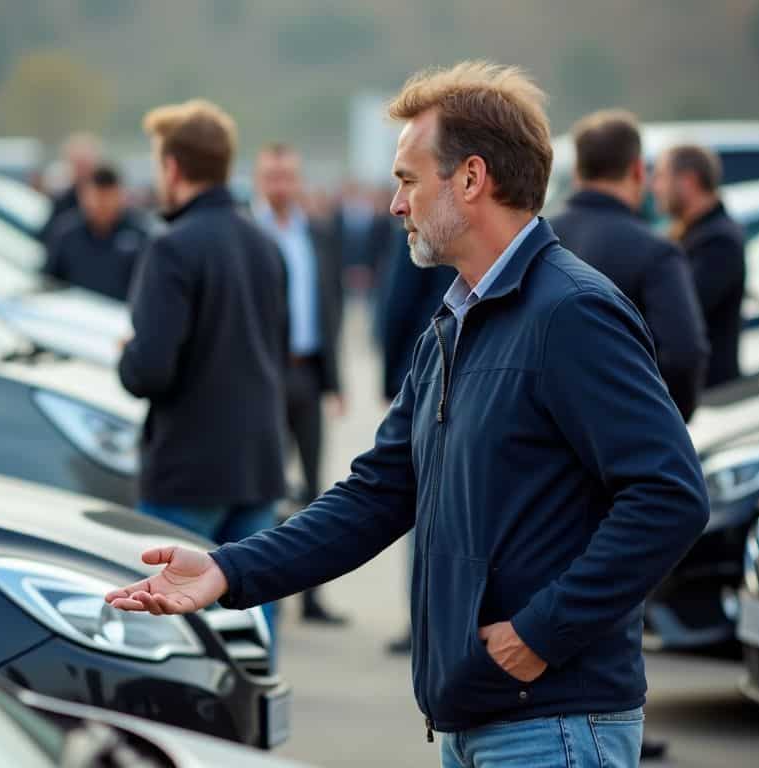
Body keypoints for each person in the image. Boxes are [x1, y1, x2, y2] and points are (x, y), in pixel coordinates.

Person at [106, 61, 709, 768]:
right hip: (476, 718)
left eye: (407, 180)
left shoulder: (572, 313)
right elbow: (377, 496)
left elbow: (670, 496)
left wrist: (541, 633)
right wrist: (227, 571)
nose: (396, 205)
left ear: (472, 179)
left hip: (554, 726)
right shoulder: (452, 326)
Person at [117, 100, 288, 629]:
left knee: (168, 626)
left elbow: (150, 371)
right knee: (253, 630)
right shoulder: (265, 244)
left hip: (189, 469)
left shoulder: (172, 247)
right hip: (257, 460)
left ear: (171, 167)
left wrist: (126, 355)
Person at [550, 110, 709, 421]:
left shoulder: (538, 239)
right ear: (637, 170)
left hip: (544, 435)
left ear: (579, 173)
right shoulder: (656, 252)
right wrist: (668, 423)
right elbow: (684, 354)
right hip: (623, 432)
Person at [252, 143, 348, 626]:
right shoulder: (250, 236)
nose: (280, 186)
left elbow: (331, 307)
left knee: (314, 491)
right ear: (257, 179)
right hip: (264, 376)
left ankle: (311, 597)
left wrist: (336, 380)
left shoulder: (317, 234)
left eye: (287, 177)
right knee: (268, 487)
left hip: (308, 373)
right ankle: (265, 591)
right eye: (272, 177)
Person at [376, 235, 455, 656]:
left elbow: (397, 303)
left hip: (424, 375)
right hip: (427, 373)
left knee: (423, 505)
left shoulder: (427, 239)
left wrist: (391, 378)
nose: (397, 204)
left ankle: (422, 621)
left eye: (409, 180)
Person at [653, 144, 747, 388]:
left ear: (688, 181)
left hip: (711, 397)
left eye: (661, 176)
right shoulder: (687, 232)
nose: (654, 187)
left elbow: (681, 310)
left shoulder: (719, 242)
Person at [42, 164, 153, 302]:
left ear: (120, 195)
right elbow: (49, 281)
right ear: (84, 197)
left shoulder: (140, 234)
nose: (101, 205)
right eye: (96, 198)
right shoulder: (66, 233)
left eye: (108, 198)